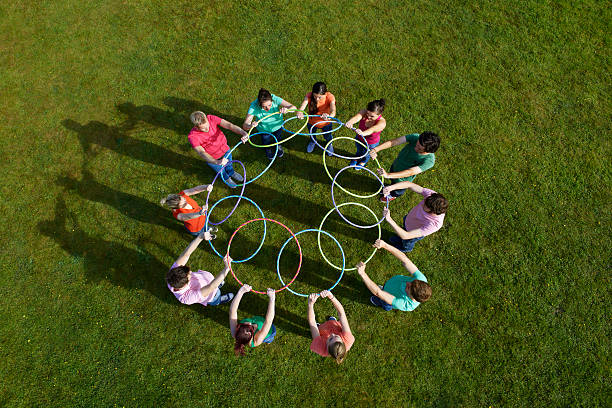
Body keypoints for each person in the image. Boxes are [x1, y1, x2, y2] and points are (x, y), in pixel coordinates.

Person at [356, 240, 432, 312]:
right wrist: (385, 245)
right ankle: (384, 289)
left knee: (385, 302)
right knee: (384, 288)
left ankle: (380, 302)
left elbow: (378, 293)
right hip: (391, 284)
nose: (407, 283)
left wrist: (363, 274)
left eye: (408, 287)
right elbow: (405, 260)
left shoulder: (405, 304)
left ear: (412, 297)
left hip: (389, 300)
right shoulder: (421, 279)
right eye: (412, 282)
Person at [166, 232, 234, 307]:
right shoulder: (186, 298)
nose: (191, 272)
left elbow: (186, 254)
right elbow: (211, 287)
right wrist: (226, 269)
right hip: (212, 295)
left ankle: (218, 283)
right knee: (215, 297)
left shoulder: (174, 273)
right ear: (186, 284)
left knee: (216, 283)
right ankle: (219, 300)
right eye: (189, 275)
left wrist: (200, 237)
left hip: (210, 281)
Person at [370, 131, 440, 202]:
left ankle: (391, 196)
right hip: (395, 166)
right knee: (392, 183)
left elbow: (411, 172)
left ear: (428, 151)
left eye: (419, 149)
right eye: (417, 144)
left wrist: (388, 175)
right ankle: (389, 186)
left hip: (403, 180)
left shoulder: (429, 161)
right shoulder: (416, 137)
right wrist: (376, 149)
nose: (416, 147)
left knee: (397, 191)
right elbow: (395, 142)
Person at [381, 181, 448, 252]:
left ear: (432, 211)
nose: (422, 203)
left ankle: (405, 248)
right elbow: (409, 184)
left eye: (425, 205)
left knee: (407, 242)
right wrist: (391, 188)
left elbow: (406, 235)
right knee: (403, 230)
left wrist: (389, 219)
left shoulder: (434, 224)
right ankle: (399, 237)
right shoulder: (432, 197)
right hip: (409, 220)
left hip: (412, 233)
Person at [188, 111, 249, 188]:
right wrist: (217, 162)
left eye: (208, 125)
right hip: (213, 158)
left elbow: (229, 125)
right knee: (220, 171)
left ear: (207, 119)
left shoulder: (211, 118)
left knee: (229, 163)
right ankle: (226, 178)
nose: (207, 129)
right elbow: (201, 152)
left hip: (225, 149)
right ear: (196, 127)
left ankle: (231, 172)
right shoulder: (193, 136)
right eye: (203, 128)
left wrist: (243, 133)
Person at [243, 88, 299, 160]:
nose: (268, 108)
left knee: (278, 137)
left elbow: (294, 108)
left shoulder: (275, 99)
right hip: (264, 129)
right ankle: (268, 149)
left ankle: (278, 145)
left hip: (277, 126)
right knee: (266, 140)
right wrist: (251, 126)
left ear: (272, 100)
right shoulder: (254, 107)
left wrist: (287, 110)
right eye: (264, 107)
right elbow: (245, 126)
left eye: (269, 105)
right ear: (259, 104)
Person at [307, 290, 354, 364]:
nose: (332, 334)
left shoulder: (320, 346)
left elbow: (312, 322)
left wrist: (310, 304)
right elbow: (341, 314)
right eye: (337, 336)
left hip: (322, 331)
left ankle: (319, 327)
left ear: (327, 347)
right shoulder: (348, 339)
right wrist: (331, 296)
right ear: (343, 342)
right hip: (334, 325)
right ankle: (331, 320)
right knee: (332, 321)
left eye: (330, 339)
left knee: (315, 327)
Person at [229, 284, 277, 356]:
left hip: (259, 320)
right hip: (268, 332)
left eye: (245, 324)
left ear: (238, 327)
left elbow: (232, 311)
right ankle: (269, 341)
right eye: (252, 327)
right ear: (251, 335)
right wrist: (272, 298)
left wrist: (241, 292)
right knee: (269, 338)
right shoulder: (257, 340)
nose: (249, 323)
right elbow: (268, 321)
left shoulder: (235, 333)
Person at [343, 99, 387, 168]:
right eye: (368, 114)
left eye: (372, 116)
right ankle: (357, 158)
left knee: (367, 154)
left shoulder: (382, 123)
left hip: (371, 143)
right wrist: (350, 122)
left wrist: (363, 133)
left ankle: (363, 161)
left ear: (379, 114)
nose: (369, 117)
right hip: (359, 138)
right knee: (359, 150)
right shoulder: (364, 111)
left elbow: (372, 130)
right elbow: (357, 117)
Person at [298, 82, 336, 156]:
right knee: (312, 134)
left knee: (328, 136)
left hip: (326, 123)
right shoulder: (309, 96)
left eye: (319, 97)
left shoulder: (330, 97)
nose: (317, 99)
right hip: (312, 122)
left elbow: (333, 110)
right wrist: (300, 112)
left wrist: (329, 116)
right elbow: (302, 106)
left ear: (325, 94)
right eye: (315, 96)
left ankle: (329, 144)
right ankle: (313, 141)